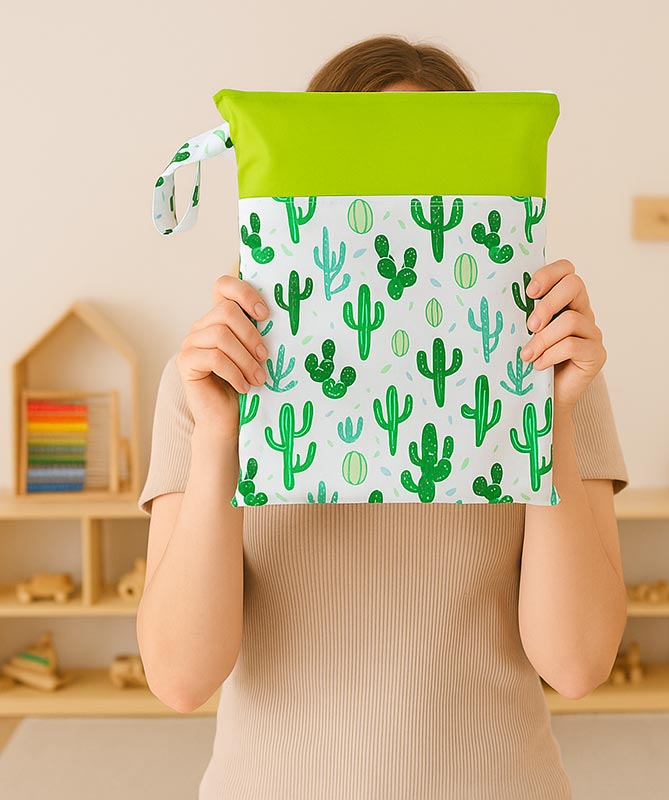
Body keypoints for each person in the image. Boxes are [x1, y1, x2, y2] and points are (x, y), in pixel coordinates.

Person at [136, 33, 630, 800]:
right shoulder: (208, 379)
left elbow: (576, 665)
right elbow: (178, 677)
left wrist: (548, 420)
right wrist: (218, 439)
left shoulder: (556, 371)